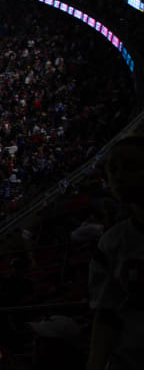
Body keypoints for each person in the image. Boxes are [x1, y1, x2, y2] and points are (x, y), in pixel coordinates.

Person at [88, 135, 144, 370]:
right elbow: (106, 317)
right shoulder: (110, 243)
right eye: (113, 169)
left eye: (131, 167)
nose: (119, 176)